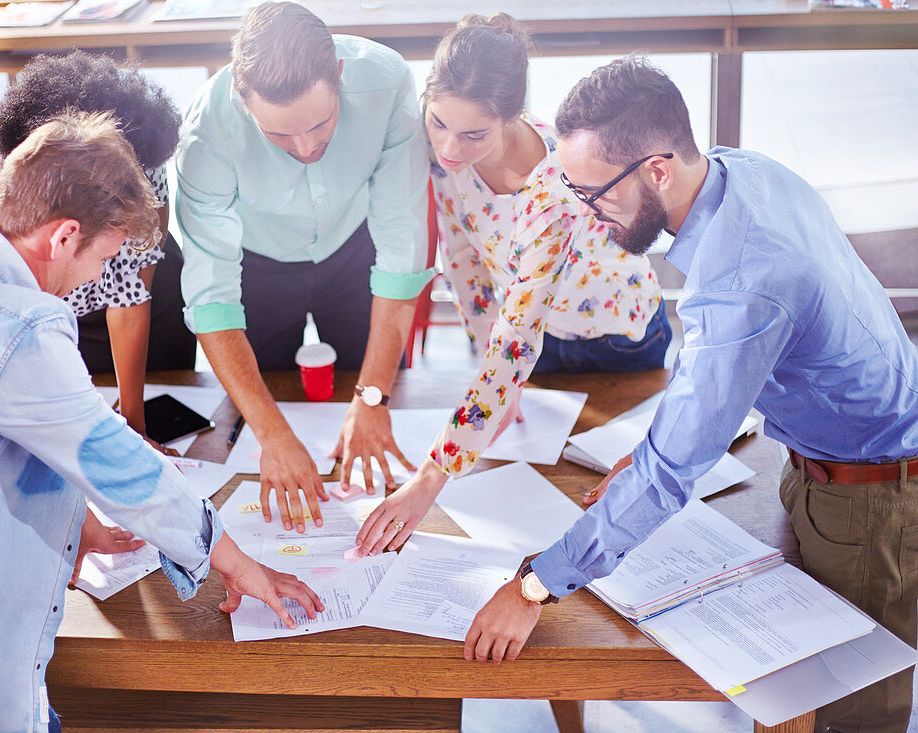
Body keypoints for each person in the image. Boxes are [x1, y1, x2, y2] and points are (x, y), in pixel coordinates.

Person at [0, 112, 322, 733]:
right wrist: (234, 559)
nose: (96, 280)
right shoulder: (18, 329)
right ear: (63, 238)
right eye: (103, 258)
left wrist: (74, 518)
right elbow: (117, 460)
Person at [464, 55, 918, 731]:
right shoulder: (742, 169)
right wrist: (662, 436)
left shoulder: (740, 280)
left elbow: (671, 473)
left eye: (595, 193)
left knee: (853, 718)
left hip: (872, 501)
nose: (588, 215)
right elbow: (709, 363)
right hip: (820, 461)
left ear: (657, 168)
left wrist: (534, 585)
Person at [355, 15, 668, 555]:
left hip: (619, 337)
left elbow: (518, 334)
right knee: (534, 480)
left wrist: (431, 477)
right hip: (537, 346)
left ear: (513, 115)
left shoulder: (554, 188)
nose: (449, 147)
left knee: (610, 491)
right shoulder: (445, 158)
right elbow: (463, 259)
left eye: (473, 133)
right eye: (437, 124)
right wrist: (493, 372)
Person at [176, 1, 432, 534]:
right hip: (258, 265)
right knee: (257, 410)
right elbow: (211, 294)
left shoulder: (386, 82)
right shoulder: (206, 133)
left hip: (357, 252)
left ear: (338, 74)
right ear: (243, 102)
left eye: (321, 123)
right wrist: (272, 434)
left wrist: (372, 395)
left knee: (382, 397)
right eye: (280, 136)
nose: (307, 147)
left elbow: (402, 245)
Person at [0, 50, 197, 452]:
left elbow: (128, 300)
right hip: (65, 309)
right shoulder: (33, 168)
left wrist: (133, 427)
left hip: (146, 308)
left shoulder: (143, 163)